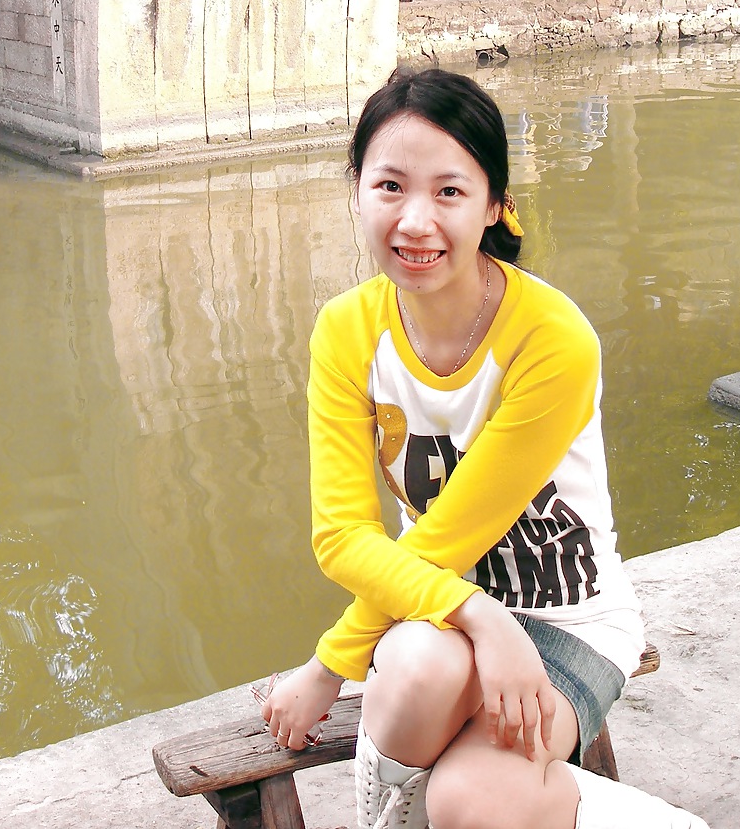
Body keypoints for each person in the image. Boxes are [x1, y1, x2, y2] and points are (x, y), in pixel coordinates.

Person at [261, 67, 709, 829]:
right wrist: (481, 615)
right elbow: (342, 537)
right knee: (413, 670)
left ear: (496, 203)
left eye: (449, 192)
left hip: (570, 623)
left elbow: (450, 535)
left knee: (468, 800)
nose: (415, 221)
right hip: (440, 616)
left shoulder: (551, 340)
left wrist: (328, 666)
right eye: (390, 186)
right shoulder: (345, 332)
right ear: (358, 191)